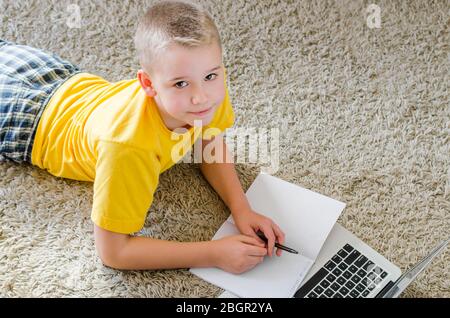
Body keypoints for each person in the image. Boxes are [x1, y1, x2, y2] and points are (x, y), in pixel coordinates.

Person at [0, 0, 285, 274]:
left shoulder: (206, 97)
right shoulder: (129, 147)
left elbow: (207, 142)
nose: (201, 96)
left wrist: (241, 209)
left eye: (211, 76)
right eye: (180, 83)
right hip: (25, 120)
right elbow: (113, 252)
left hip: (64, 79)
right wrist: (213, 253)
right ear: (148, 84)